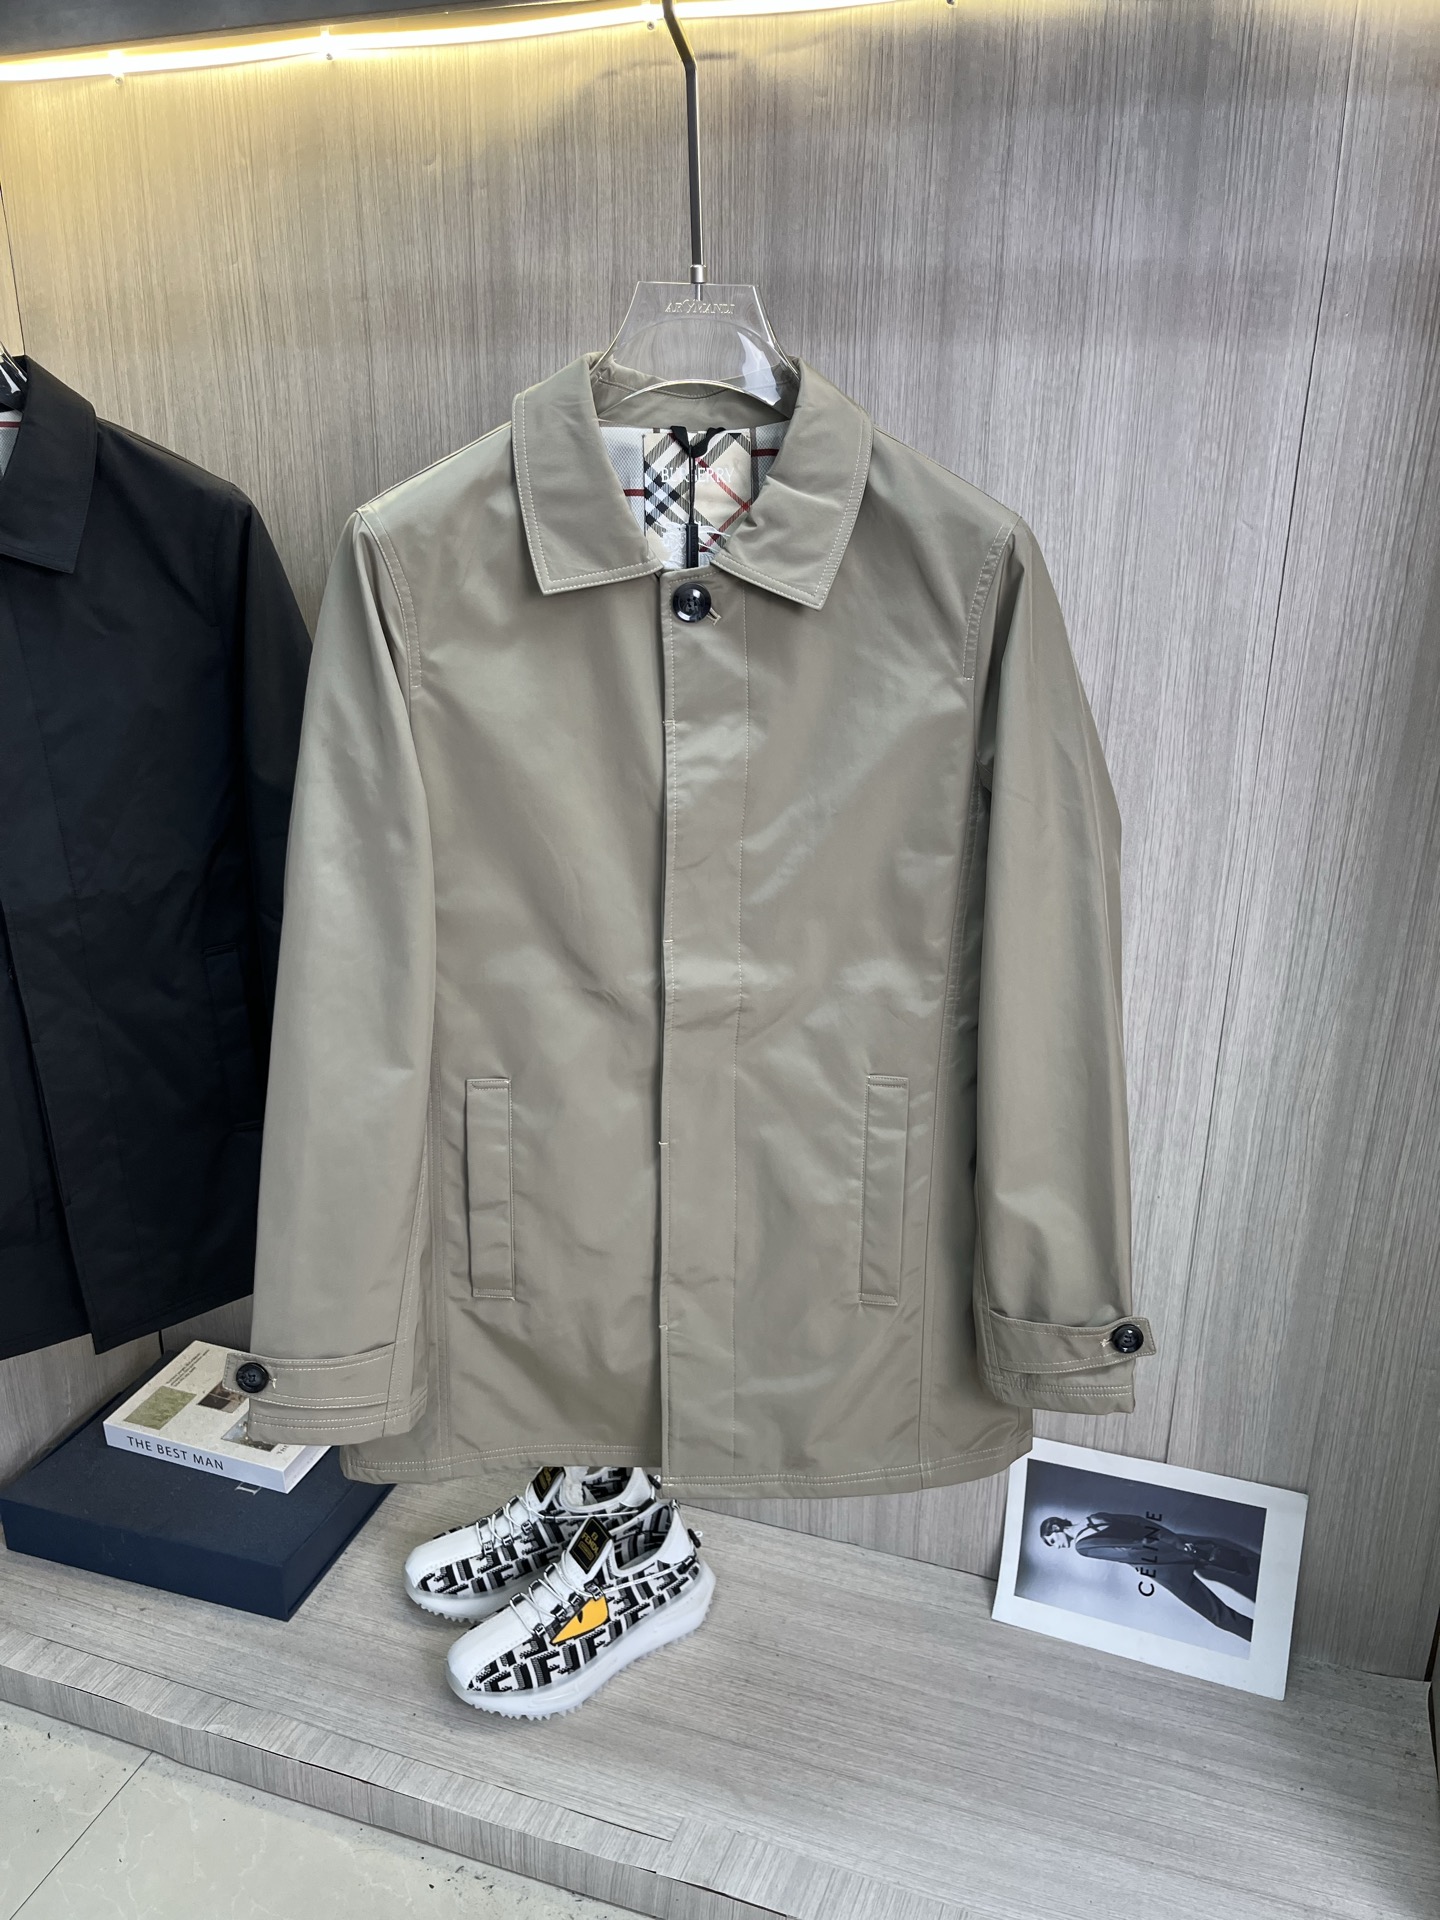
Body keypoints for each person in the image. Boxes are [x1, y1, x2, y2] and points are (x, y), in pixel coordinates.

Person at [1040, 1512, 1259, 1642]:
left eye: (1052, 1541)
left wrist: (1171, 1558)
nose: (1057, 1546)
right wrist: (1177, 1543)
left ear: (1056, 1527)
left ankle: (1263, 1642)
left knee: (1219, 1616)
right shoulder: (1095, 1517)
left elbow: (1129, 1554)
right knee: (1241, 1564)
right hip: (1175, 1545)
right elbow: (1141, 1523)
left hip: (1165, 1568)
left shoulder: (1082, 1546)